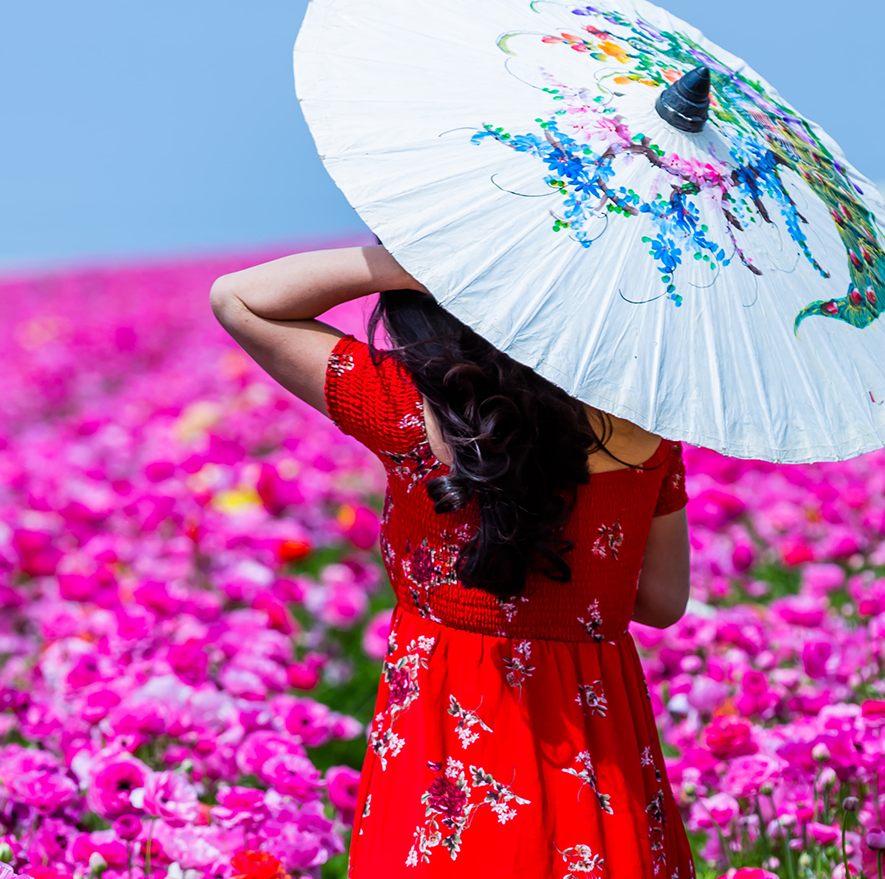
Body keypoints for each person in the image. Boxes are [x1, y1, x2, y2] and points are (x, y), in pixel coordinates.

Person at [211, 245, 696, 878]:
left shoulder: (408, 411)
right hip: (594, 731)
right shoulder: (648, 427)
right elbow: (662, 601)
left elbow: (238, 298)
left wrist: (424, 262)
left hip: (447, 721)